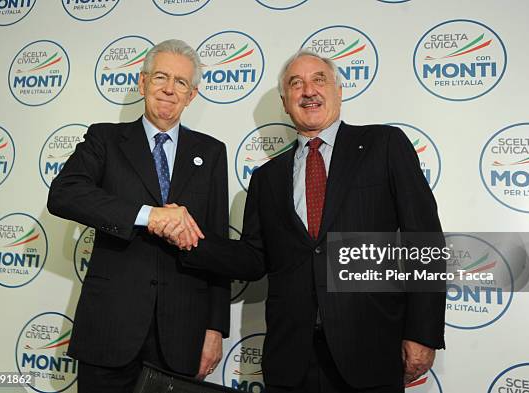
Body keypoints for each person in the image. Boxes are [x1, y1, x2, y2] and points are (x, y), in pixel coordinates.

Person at [169, 50, 446, 393]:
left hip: (370, 351)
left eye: (319, 79)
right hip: (291, 359)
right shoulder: (266, 178)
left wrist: (422, 332)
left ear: (338, 91)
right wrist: (190, 240)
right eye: (295, 84)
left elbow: (425, 240)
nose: (308, 90)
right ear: (285, 102)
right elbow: (255, 260)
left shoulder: (384, 145)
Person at [46, 39, 230, 393]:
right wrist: (148, 216)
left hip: (181, 336)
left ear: (192, 96)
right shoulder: (105, 139)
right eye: (161, 76)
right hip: (110, 329)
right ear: (143, 82)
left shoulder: (211, 153)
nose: (169, 89)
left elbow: (217, 247)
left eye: (181, 83)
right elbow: (64, 194)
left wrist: (215, 328)